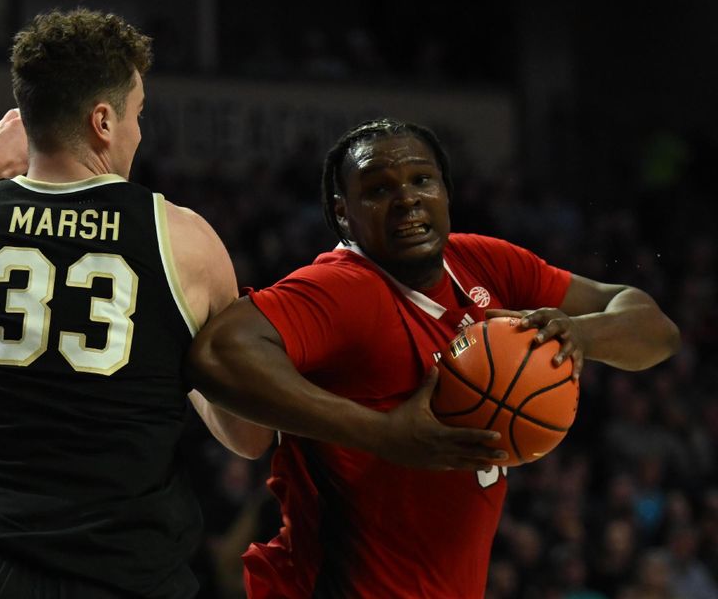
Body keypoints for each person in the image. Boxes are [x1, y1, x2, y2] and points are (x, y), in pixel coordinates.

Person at [187, 118, 681, 598]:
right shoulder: (346, 289)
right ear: (343, 213)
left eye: (422, 180)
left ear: (446, 192)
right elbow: (218, 353)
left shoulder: (483, 262)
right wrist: (383, 434)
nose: (406, 199)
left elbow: (654, 326)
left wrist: (578, 332)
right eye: (379, 189)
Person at [0, 9, 271, 599]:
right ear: (103, 121)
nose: (138, 131)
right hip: (130, 577)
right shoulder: (184, 241)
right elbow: (248, 438)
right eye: (138, 114)